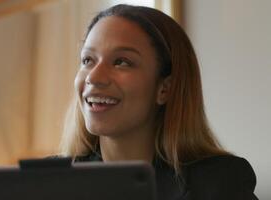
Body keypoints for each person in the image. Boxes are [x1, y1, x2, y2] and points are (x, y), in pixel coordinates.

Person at [58, 4, 258, 200]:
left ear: (165, 89)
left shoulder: (221, 183)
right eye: (87, 60)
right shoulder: (49, 183)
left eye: (122, 62)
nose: (94, 77)